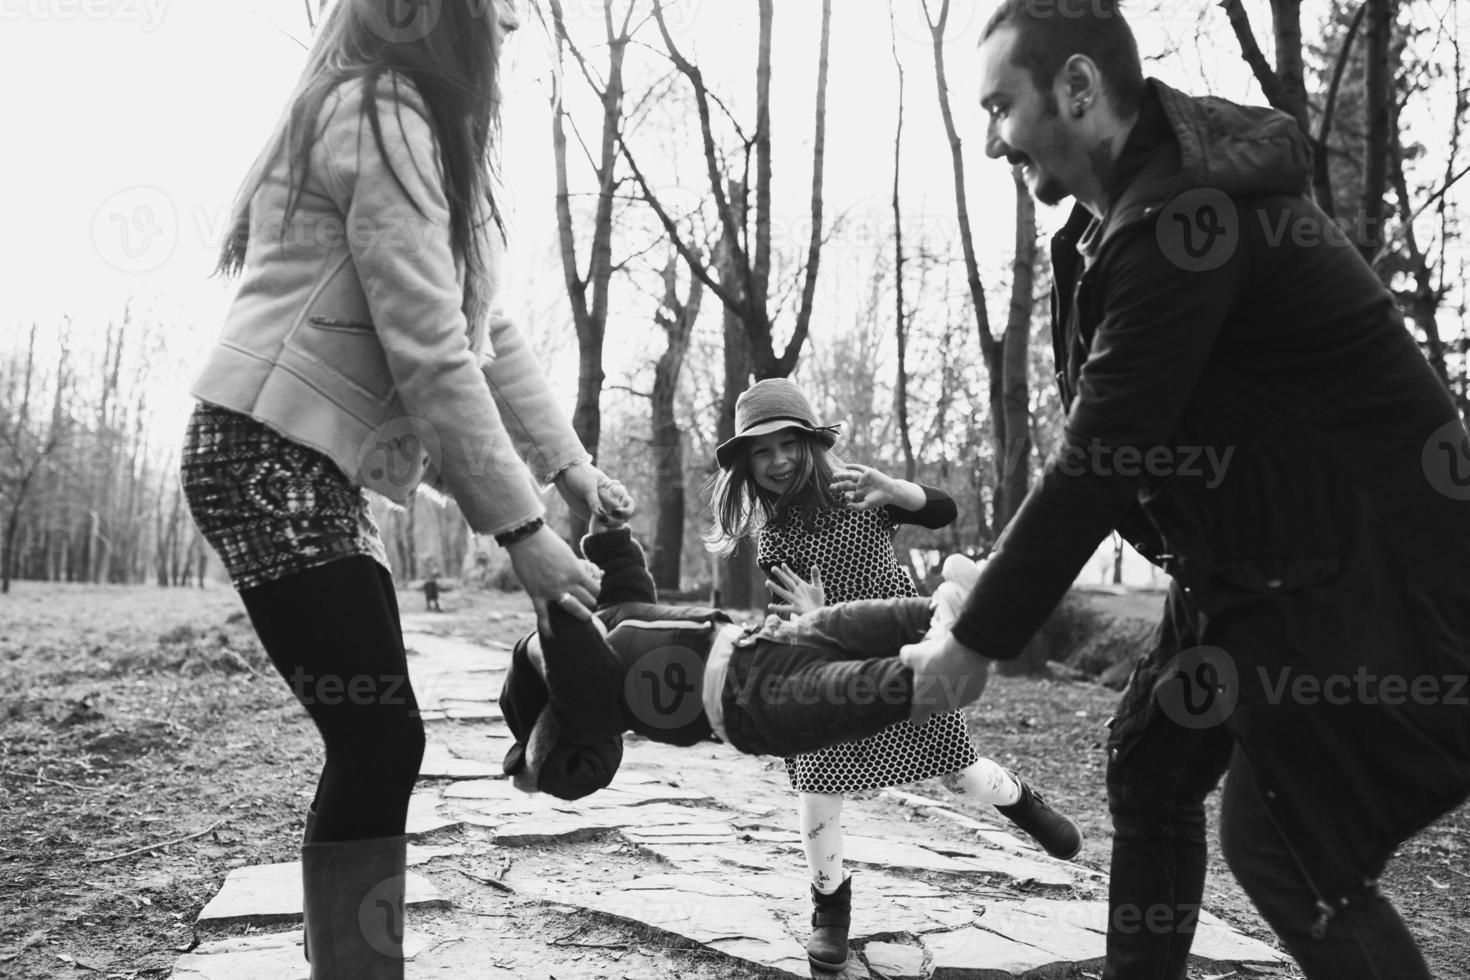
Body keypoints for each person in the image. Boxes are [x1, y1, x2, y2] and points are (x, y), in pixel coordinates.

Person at [899, 3, 1470, 978]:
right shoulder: (1115, 226)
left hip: (1362, 581)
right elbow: (1134, 434)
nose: (995, 137)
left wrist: (978, 639)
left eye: (1003, 105)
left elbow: (1102, 452)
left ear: (1077, 89)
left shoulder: (1184, 222)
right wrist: (999, 574)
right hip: (1253, 565)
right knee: (1155, 761)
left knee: (1283, 844)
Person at [178, 3, 627, 977]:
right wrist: (519, 526)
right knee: (380, 735)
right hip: (263, 452)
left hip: (306, 463)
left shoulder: (421, 128)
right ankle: (353, 966)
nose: (510, 34)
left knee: (380, 734)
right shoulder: (379, 110)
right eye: (498, 16)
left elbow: (486, 331)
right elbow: (424, 343)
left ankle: (346, 957)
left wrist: (569, 464)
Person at [707, 378, 1080, 971]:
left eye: (786, 444)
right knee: (817, 793)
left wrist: (894, 490)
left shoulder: (857, 489)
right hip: (829, 666)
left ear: (809, 443)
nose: (776, 461)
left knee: (962, 773)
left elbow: (944, 510)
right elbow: (795, 615)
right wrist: (811, 616)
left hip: (905, 651)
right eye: (761, 451)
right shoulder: (771, 535)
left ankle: (1019, 800)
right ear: (746, 464)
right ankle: (830, 910)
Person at [500, 515, 1009, 806]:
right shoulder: (590, 720)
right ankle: (931, 679)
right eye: (557, 650)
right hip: (750, 706)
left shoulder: (612, 613)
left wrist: (608, 528)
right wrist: (558, 632)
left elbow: (626, 577)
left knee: (846, 622)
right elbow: (580, 745)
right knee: (844, 692)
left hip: (763, 640)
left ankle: (943, 607)